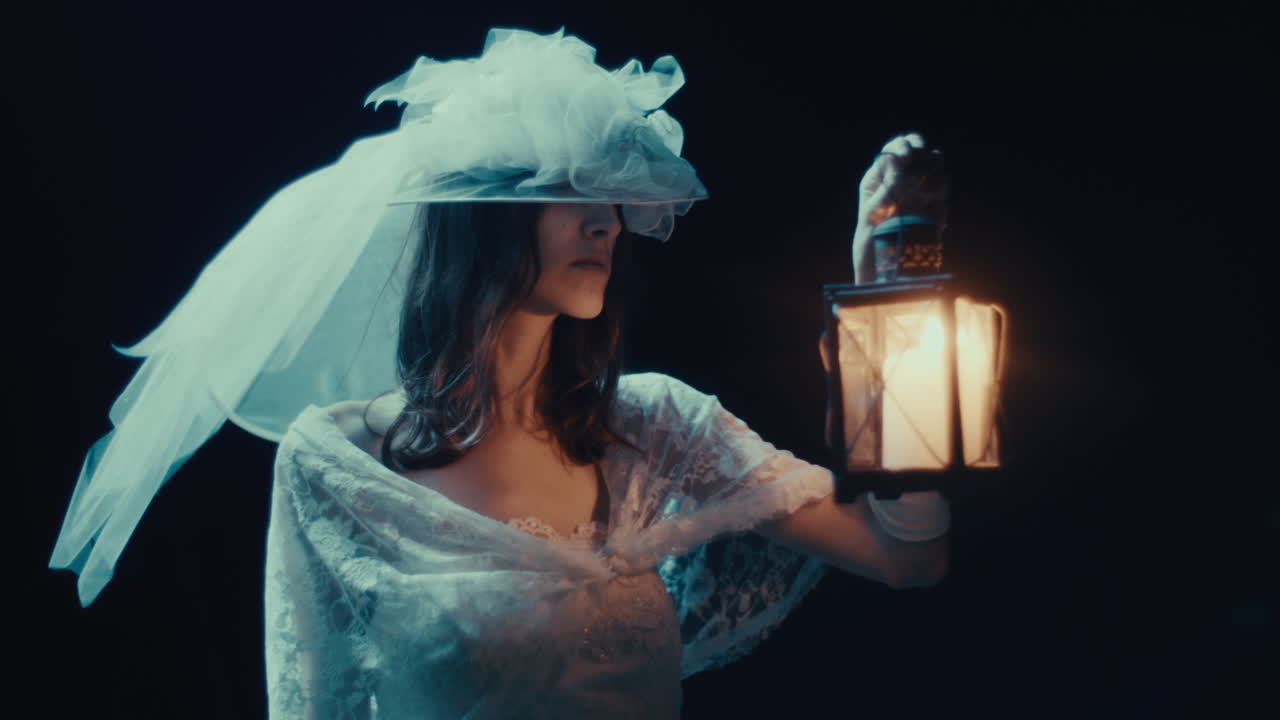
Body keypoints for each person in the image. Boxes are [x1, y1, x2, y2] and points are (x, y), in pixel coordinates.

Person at [50, 27, 950, 719]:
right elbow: (311, 702)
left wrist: (890, 302)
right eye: (567, 192)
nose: (602, 221)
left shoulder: (658, 425)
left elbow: (908, 558)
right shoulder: (339, 463)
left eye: (608, 196)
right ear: (481, 221)